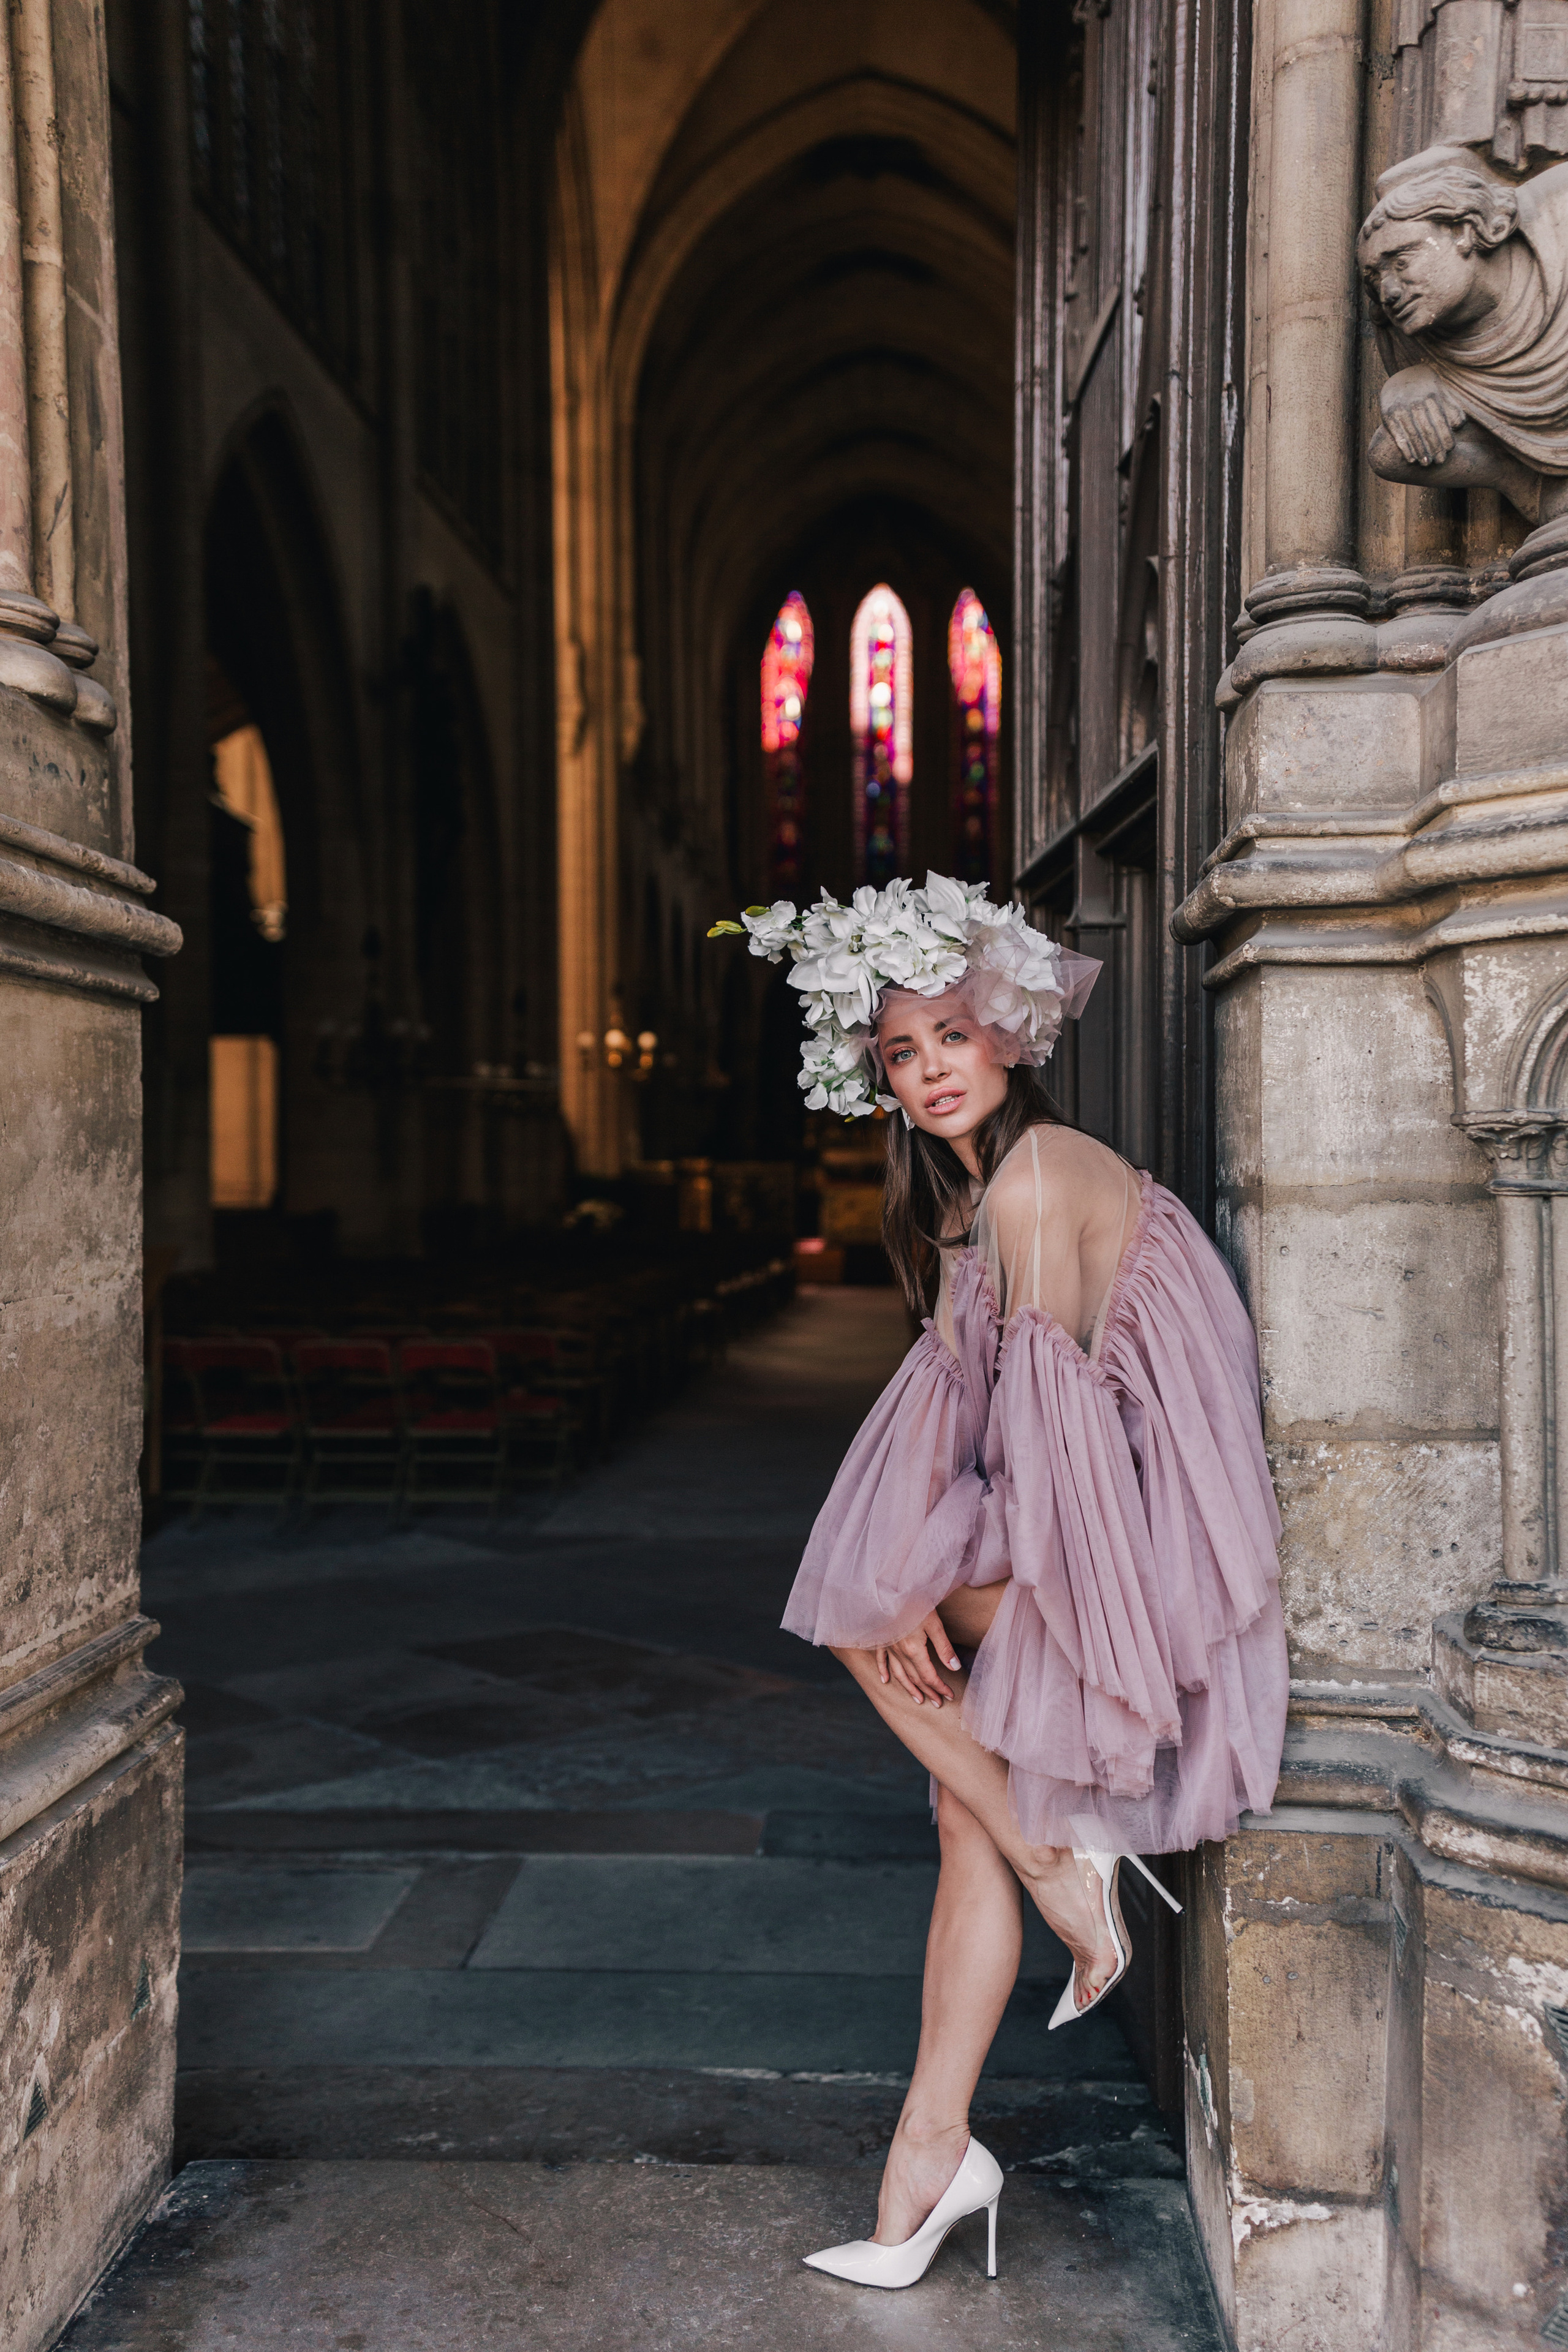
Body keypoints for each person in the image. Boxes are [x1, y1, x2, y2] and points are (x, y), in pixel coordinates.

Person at [710, 875, 1289, 2290]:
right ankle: (928, 2160)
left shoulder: (1034, 1182)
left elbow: (1054, 1470)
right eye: (899, 1057)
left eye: (949, 1040)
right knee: (964, 1814)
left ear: (1009, 1036)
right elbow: (980, 1429)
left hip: (1118, 1535)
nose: (925, 1076)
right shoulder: (973, 1200)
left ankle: (1058, 1864)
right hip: (1068, 1509)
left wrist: (912, 1575)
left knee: (861, 1610)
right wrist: (917, 1568)